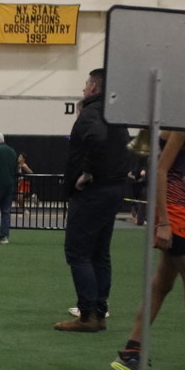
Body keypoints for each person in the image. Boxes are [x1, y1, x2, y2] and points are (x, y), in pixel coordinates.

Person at [110, 66, 185, 370]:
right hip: (175, 212)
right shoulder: (182, 123)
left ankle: (131, 352)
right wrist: (164, 222)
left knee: (161, 285)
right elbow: (159, 169)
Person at [53, 68, 131, 332]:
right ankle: (99, 312)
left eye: (87, 84)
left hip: (93, 192)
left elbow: (96, 138)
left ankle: (86, 315)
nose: (84, 88)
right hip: (113, 189)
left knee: (77, 252)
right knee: (100, 253)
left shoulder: (91, 112)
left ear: (95, 88)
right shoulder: (116, 115)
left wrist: (87, 172)